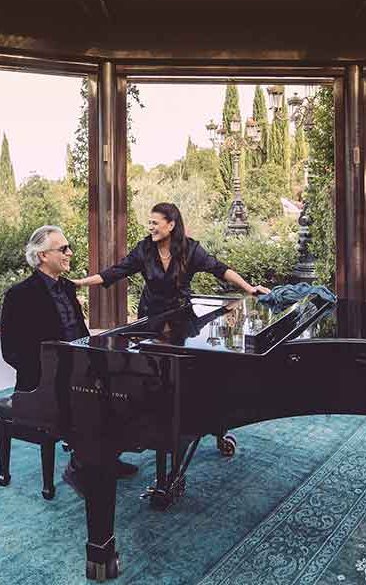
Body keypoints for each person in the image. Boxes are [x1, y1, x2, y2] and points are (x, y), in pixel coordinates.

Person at [0, 225, 137, 496]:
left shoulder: (66, 287)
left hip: (78, 369)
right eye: (63, 249)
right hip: (40, 381)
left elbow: (81, 334)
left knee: (126, 391)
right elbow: (11, 350)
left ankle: (103, 458)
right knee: (92, 403)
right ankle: (81, 465)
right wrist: (52, 373)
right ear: (42, 256)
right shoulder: (19, 295)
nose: (70, 253)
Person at [73, 202, 270, 317]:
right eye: (149, 223)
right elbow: (115, 272)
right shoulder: (144, 249)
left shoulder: (191, 249)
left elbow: (220, 269)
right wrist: (82, 283)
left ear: (171, 225)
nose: (150, 227)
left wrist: (250, 289)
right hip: (149, 316)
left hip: (181, 315)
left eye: (155, 223)